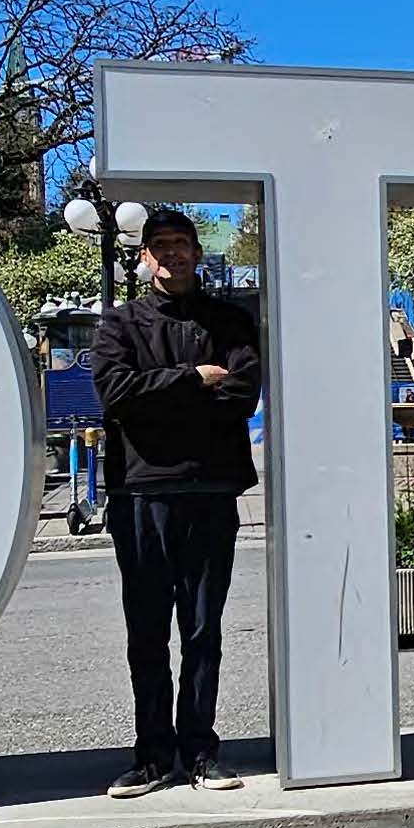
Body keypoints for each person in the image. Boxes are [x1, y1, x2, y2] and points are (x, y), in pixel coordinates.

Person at [85, 207, 262, 797]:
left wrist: (163, 396)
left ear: (196, 251)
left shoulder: (231, 322)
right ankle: (153, 754)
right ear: (143, 255)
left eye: (182, 243)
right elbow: (116, 394)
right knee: (146, 632)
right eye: (161, 245)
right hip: (141, 494)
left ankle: (201, 750)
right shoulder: (118, 325)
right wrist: (193, 378)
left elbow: (241, 395)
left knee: (203, 629)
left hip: (211, 491)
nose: (173, 254)